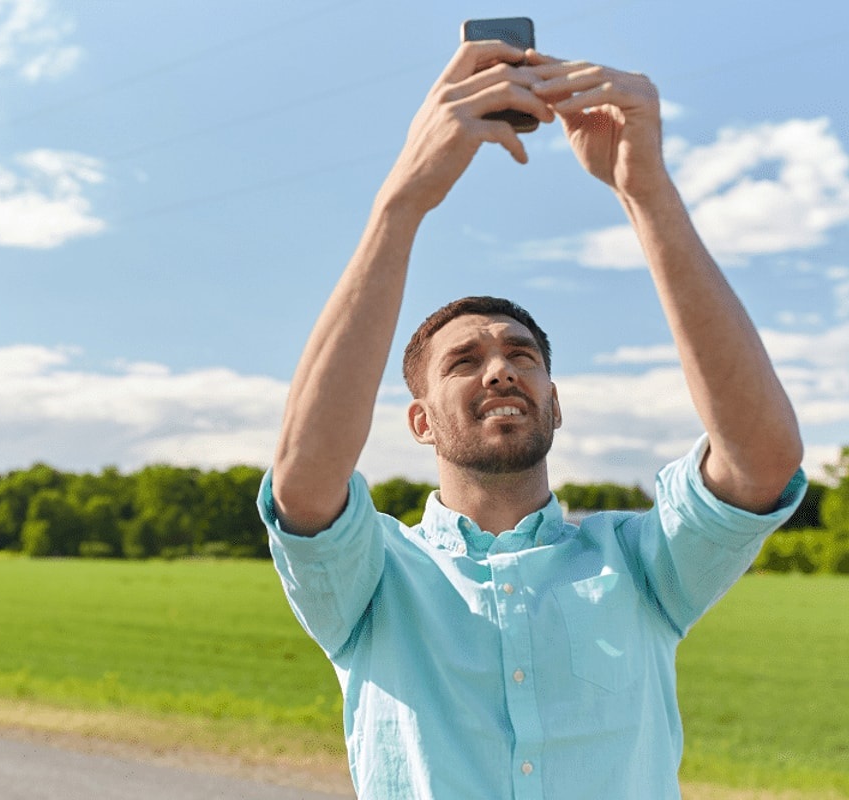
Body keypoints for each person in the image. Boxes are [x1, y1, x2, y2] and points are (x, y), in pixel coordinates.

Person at [256, 39, 807, 799]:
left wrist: (644, 191)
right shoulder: (376, 579)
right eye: (463, 361)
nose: (500, 368)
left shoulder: (640, 566)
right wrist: (403, 200)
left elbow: (762, 462)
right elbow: (304, 482)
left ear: (555, 402)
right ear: (419, 422)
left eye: (522, 354)